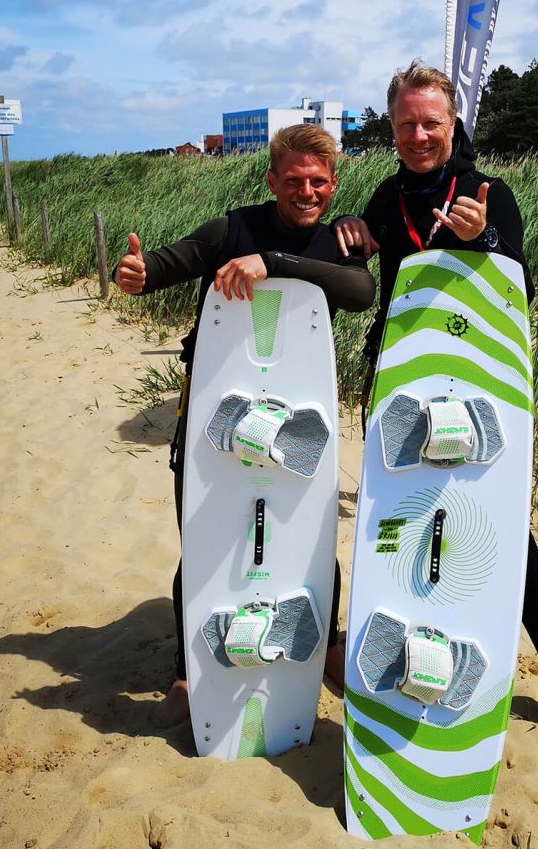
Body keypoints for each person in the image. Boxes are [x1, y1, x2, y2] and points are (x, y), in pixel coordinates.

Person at [334, 60, 538, 764]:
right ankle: (416, 662)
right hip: (398, 385)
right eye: (405, 124)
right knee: (400, 527)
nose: (419, 134)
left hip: (479, 391)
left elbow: (520, 290)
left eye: (431, 122)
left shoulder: (490, 192)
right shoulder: (386, 193)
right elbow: (366, 251)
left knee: (500, 534)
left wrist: (482, 240)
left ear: (453, 122)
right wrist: (354, 233)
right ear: (391, 127)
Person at [116, 123, 375, 727]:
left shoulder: (340, 242)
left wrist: (274, 263)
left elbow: (361, 291)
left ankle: (328, 645)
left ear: (333, 184)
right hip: (218, 413)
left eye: (318, 181)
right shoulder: (233, 229)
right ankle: (187, 667)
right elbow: (164, 264)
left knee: (311, 536)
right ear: (271, 180)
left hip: (297, 425)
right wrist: (137, 272)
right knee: (204, 537)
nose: (306, 192)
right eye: (293, 181)